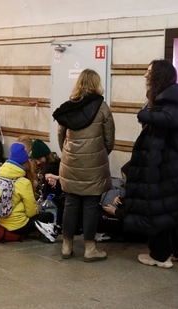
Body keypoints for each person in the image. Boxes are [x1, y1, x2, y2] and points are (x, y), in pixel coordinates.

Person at [102, 60, 178, 268]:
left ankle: (160, 256)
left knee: (159, 209)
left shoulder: (164, 101)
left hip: (164, 166)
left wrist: (144, 114)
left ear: (158, 75)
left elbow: (165, 129)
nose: (145, 76)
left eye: (149, 72)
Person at [52, 68, 115, 262]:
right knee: (90, 205)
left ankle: (66, 246)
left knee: (71, 203)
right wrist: (99, 154)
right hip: (94, 163)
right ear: (96, 84)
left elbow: (61, 135)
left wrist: (70, 154)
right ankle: (89, 248)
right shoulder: (102, 107)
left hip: (71, 162)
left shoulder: (69, 108)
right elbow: (109, 138)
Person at [0, 143, 57, 243]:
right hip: (16, 226)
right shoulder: (23, 182)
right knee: (49, 215)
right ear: (26, 163)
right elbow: (31, 212)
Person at [30, 139, 65, 233]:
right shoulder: (58, 162)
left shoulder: (48, 169)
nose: (37, 162)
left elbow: (44, 193)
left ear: (45, 156)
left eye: (39, 159)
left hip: (52, 204)